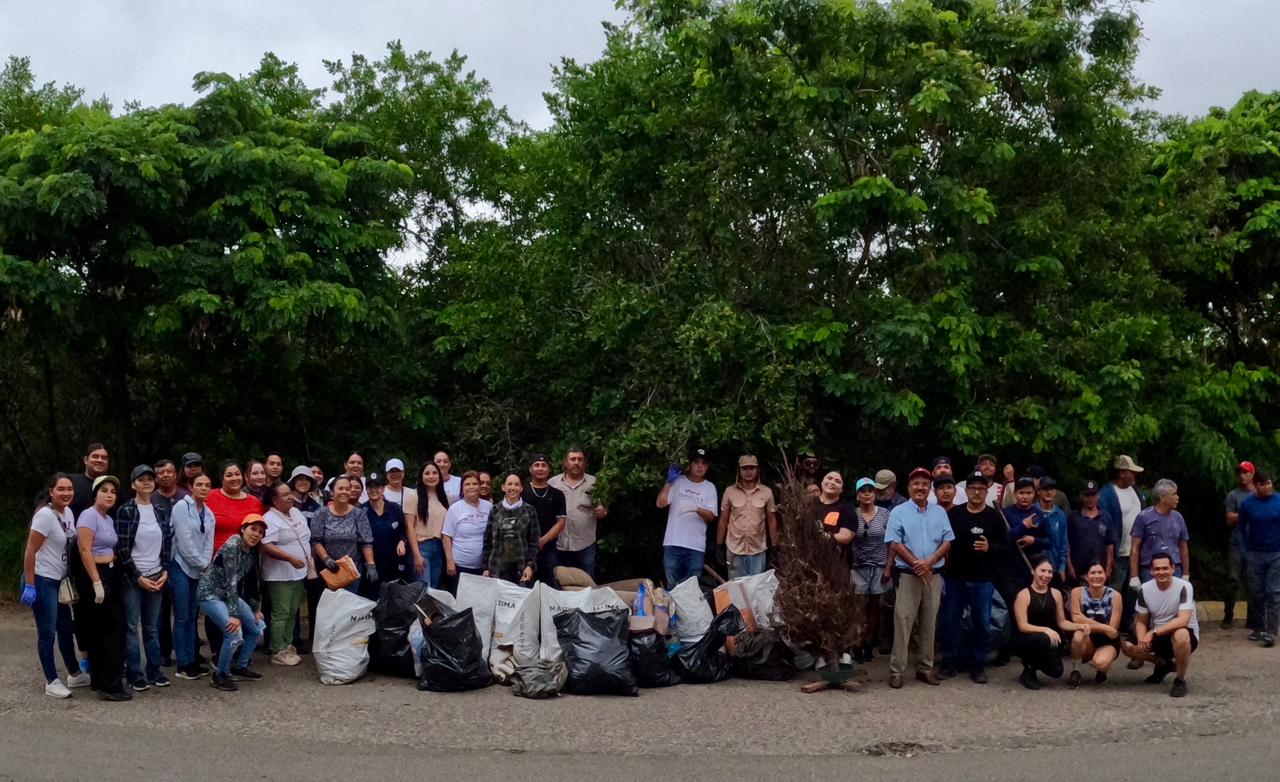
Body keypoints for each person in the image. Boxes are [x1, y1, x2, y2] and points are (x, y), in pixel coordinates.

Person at [885, 467, 954, 688]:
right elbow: (895, 543)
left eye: (925, 484)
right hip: (908, 575)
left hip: (933, 575)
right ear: (908, 487)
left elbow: (947, 541)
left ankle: (925, 668)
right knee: (903, 621)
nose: (920, 487)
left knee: (929, 622)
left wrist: (929, 563)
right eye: (916, 483)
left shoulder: (940, 513)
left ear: (930, 488)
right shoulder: (899, 512)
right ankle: (897, 671)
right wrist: (917, 563)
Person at [21, 473, 87, 698]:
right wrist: (30, 585)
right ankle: (51, 680)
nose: (67, 493)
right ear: (51, 492)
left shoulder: (67, 512)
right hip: (42, 579)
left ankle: (75, 673)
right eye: (61, 489)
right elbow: (30, 550)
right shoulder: (45, 516)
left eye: (69, 489)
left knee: (66, 628)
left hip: (58, 580)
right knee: (47, 631)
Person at [941, 471, 1008, 683]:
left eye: (981, 489)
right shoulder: (954, 514)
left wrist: (991, 547)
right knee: (951, 621)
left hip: (983, 579)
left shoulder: (994, 516)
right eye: (973, 488)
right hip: (955, 577)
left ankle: (978, 664)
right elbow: (944, 542)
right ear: (966, 491)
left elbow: (1006, 546)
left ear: (986, 491)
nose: (977, 492)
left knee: (982, 623)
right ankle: (949, 662)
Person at [115, 464, 173, 692]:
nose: (146, 482)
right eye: (142, 479)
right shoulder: (126, 511)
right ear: (133, 484)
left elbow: (167, 543)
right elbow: (122, 548)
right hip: (132, 578)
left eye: (150, 478)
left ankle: (154, 670)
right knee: (131, 626)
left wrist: (165, 570)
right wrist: (137, 576)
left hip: (157, 574)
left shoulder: (160, 510)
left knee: (151, 627)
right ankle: (134, 673)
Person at [74, 474, 130, 701]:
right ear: (95, 494)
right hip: (94, 576)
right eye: (104, 490)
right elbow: (85, 550)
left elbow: (108, 547)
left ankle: (99, 678)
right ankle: (111, 685)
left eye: (113, 491)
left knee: (101, 629)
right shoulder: (89, 515)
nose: (109, 495)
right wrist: (97, 582)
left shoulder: (107, 518)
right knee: (113, 629)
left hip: (110, 572)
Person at [198, 515, 268, 691]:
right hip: (210, 594)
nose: (256, 534)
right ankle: (220, 674)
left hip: (228, 595)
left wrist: (255, 610)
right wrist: (234, 615)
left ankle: (240, 666)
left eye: (260, 532)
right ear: (243, 529)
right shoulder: (232, 544)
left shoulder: (253, 552)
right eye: (253, 529)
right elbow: (231, 581)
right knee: (234, 633)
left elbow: (254, 582)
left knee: (257, 627)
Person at [1122, 553, 1199, 697]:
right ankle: (1163, 664)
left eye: (1165, 568)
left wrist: (1152, 633)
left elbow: (1183, 620)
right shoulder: (1144, 589)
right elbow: (1141, 621)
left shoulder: (1184, 586)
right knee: (1127, 647)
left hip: (1182, 632)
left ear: (1173, 569)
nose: (1161, 572)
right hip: (1158, 634)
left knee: (1181, 635)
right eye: (1157, 569)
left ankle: (1180, 679)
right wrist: (1142, 638)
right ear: (1151, 571)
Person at [1012, 558, 1083, 689]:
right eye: (1042, 571)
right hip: (1025, 638)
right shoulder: (1023, 594)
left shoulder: (1056, 594)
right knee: (1043, 638)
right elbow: (1022, 626)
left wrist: (1079, 626)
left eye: (1049, 572)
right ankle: (1029, 670)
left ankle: (1037, 661)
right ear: (1033, 571)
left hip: (1049, 640)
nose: (1046, 575)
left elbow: (1061, 621)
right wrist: (1046, 630)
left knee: (1056, 672)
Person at [262, 481, 311, 666]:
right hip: (280, 573)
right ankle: (277, 649)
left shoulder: (296, 512)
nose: (290, 496)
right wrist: (290, 558)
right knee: (281, 612)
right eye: (284, 495)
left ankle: (288, 644)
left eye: (290, 492)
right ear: (274, 499)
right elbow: (266, 545)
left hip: (300, 572)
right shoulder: (269, 518)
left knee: (293, 611)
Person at [170, 474, 214, 680]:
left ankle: (192, 659)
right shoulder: (181, 507)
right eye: (199, 485)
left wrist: (204, 564)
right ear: (190, 487)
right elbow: (184, 542)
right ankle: (183, 663)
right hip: (180, 565)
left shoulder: (209, 513)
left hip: (198, 569)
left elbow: (208, 543)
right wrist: (202, 563)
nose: (203, 488)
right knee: (182, 616)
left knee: (192, 615)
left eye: (207, 485)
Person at [656, 449, 718, 588]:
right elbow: (660, 503)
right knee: (672, 585)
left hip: (695, 546)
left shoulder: (709, 487)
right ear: (690, 464)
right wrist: (668, 482)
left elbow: (711, 516)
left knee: (692, 588)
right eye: (696, 462)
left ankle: (688, 611)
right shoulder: (678, 482)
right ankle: (672, 610)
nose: (700, 466)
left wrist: (696, 508)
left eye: (704, 463)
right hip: (673, 543)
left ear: (707, 467)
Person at [846, 476, 892, 663]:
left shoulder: (885, 514)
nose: (866, 494)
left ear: (875, 494)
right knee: (858, 608)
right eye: (863, 491)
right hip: (858, 567)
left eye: (870, 491)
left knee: (875, 608)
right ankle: (856, 643)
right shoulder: (852, 514)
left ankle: (868, 644)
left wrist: (889, 567)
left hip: (879, 565)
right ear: (857, 495)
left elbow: (892, 542)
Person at [1099, 454, 1144, 629]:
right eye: (1131, 472)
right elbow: (1104, 526)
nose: (1134, 475)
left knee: (1132, 592)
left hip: (1135, 552)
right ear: (1122, 473)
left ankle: (1127, 625)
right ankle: (1111, 626)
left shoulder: (1135, 491)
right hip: (1119, 552)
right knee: (1115, 591)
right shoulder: (1107, 494)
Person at [717, 455, 779, 579]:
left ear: (757, 470)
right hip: (734, 549)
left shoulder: (767, 492)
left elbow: (771, 521)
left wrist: (774, 546)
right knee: (736, 590)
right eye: (745, 468)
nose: (748, 472)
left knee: (756, 590)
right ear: (739, 471)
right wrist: (719, 545)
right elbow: (723, 520)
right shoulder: (729, 491)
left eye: (752, 468)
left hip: (758, 549)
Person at [310, 475, 375, 592]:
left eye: (347, 488)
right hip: (329, 568)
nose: (344, 492)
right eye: (340, 489)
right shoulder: (320, 514)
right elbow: (316, 541)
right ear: (332, 492)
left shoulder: (359, 514)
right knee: (331, 608)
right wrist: (326, 559)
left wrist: (371, 564)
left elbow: (366, 542)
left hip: (352, 569)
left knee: (349, 607)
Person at [550, 448, 608, 578]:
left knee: (587, 584)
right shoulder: (553, 483)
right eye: (572, 459)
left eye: (580, 459)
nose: (576, 462)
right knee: (560, 583)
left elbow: (604, 507)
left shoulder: (595, 483)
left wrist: (603, 510)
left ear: (585, 463)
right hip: (559, 543)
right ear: (565, 463)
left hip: (585, 544)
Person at [1238, 470, 1280, 647]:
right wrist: (1244, 551)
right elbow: (1241, 528)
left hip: (1276, 553)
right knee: (1256, 592)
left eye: (1269, 483)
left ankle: (1271, 631)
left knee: (1274, 592)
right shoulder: (1248, 504)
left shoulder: (1278, 500)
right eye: (1263, 484)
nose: (1267, 486)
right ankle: (1258, 627)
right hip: (1255, 553)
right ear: (1256, 486)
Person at [1067, 562, 1122, 687]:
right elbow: (1076, 618)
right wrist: (1103, 627)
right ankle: (1076, 670)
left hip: (1107, 641)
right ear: (1086, 576)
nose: (1097, 576)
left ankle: (1100, 669)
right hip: (1087, 637)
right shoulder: (1077, 592)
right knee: (1078, 634)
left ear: (1106, 575)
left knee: (1101, 663)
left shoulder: (1115, 596)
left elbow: (1113, 631)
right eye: (1092, 573)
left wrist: (1085, 621)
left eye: (1100, 572)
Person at [483, 472, 541, 585]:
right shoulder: (495, 510)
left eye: (516, 484)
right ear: (503, 487)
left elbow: (534, 543)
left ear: (521, 488)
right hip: (497, 568)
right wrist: (486, 567)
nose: (513, 487)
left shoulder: (529, 510)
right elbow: (487, 541)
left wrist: (530, 566)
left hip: (521, 567)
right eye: (509, 484)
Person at [1130, 478, 1190, 585]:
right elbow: (1135, 548)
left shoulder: (1178, 517)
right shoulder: (1144, 517)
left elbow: (1183, 547)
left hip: (1174, 569)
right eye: (1174, 494)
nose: (1177, 498)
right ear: (1163, 497)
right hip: (1149, 570)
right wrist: (1134, 576)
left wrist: (1186, 573)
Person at [522, 453, 567, 586]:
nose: (540, 468)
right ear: (530, 469)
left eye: (544, 465)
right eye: (536, 465)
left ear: (549, 469)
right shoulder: (521, 491)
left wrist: (543, 540)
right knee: (524, 585)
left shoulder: (558, 494)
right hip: (524, 548)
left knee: (549, 585)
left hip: (549, 548)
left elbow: (561, 523)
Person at [1224, 461, 1258, 631]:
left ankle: (1251, 619)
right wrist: (1247, 512)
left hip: (1256, 543)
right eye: (1240, 472)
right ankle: (1228, 616)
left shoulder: (1260, 494)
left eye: (1246, 472)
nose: (1242, 475)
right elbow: (1229, 518)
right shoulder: (1233, 495)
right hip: (1237, 542)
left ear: (1252, 474)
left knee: (1253, 581)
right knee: (1233, 579)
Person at [443, 471, 493, 582]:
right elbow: (446, 536)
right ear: (462, 488)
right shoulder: (454, 509)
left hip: (484, 567)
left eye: (475, 484)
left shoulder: (489, 507)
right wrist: (450, 561)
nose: (471, 487)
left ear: (480, 486)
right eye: (467, 484)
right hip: (460, 566)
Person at [364, 472, 410, 587]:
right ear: (366, 490)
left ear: (383, 489)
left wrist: (402, 541)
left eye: (377, 487)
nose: (374, 490)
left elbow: (404, 531)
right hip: (372, 566)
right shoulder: (361, 512)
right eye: (370, 487)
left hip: (394, 564)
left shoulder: (395, 508)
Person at [206, 461, 265, 551]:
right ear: (222, 479)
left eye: (237, 474)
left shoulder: (255, 502)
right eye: (229, 475)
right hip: (214, 556)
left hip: (246, 557)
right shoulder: (209, 497)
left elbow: (261, 531)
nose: (235, 478)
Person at [1067, 481, 1116, 583]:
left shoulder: (1106, 517)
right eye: (1087, 495)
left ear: (1098, 496)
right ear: (1081, 496)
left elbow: (1110, 543)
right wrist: (1069, 565)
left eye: (1093, 495)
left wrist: (1108, 566)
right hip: (1078, 570)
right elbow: (1067, 543)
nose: (1090, 499)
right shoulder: (1073, 517)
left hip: (1100, 570)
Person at [411, 462, 450, 588]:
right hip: (422, 547)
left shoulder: (446, 498)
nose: (431, 476)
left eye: (434, 473)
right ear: (421, 476)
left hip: (439, 548)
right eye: (427, 473)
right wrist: (417, 555)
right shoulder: (413, 496)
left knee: (434, 589)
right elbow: (409, 527)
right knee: (424, 589)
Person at [1037, 477, 1069, 582]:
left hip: (1054, 567)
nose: (1048, 492)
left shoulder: (1060, 515)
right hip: (1033, 567)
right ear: (1039, 491)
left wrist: (1062, 568)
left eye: (1051, 489)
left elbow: (1064, 544)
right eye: (1045, 489)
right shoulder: (1031, 512)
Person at [70, 442, 110, 519]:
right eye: (95, 457)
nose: (100, 460)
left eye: (104, 458)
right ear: (86, 460)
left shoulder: (112, 487)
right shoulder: (70, 482)